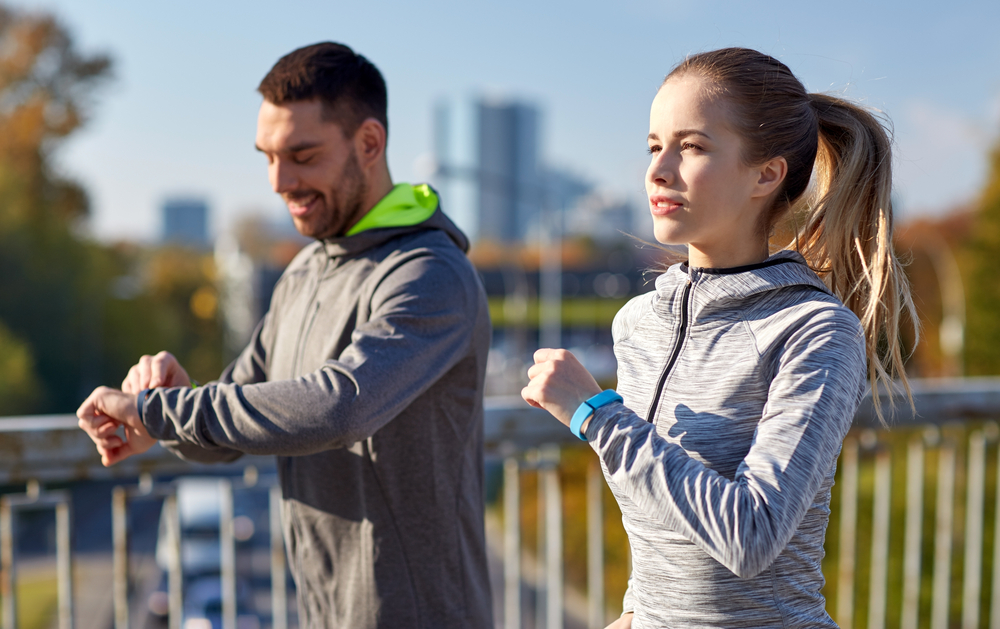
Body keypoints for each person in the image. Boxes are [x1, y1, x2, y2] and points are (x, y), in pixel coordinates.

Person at [76, 42, 494, 629]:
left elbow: (338, 407)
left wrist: (168, 411)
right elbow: (232, 423)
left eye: (302, 155)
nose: (278, 180)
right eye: (268, 156)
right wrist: (161, 411)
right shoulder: (303, 273)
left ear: (369, 144)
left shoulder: (430, 273)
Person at [522, 47, 915, 628]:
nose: (659, 170)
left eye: (694, 147)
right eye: (655, 146)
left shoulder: (815, 330)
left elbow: (750, 535)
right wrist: (638, 612)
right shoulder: (637, 325)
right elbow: (660, 521)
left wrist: (595, 415)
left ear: (767, 173)